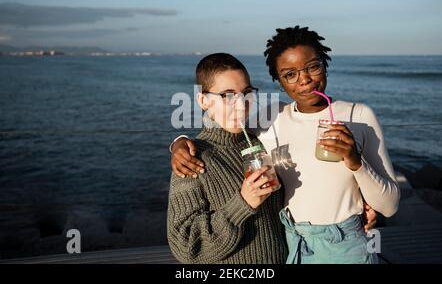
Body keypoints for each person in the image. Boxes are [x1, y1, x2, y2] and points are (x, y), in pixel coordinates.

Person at [170, 26, 400, 264]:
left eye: (313, 66)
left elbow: (389, 207)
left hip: (343, 246)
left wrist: (355, 163)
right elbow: (225, 127)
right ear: (279, 81)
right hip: (292, 247)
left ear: (324, 65)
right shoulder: (271, 118)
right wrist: (179, 143)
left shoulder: (359, 116)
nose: (305, 80)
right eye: (290, 74)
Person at [167, 53, 288, 264]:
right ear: (203, 100)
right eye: (228, 96)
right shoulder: (193, 159)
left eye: (247, 93)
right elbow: (186, 248)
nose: (241, 105)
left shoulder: (261, 141)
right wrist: (243, 203)